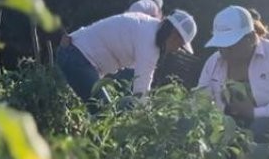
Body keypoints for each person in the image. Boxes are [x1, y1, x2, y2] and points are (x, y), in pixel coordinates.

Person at [197, 5, 269, 141]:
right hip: (231, 129)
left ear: (250, 38)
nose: (224, 51)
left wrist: (253, 113)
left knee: (261, 130)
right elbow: (201, 101)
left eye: (231, 46)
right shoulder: (214, 62)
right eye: (220, 45)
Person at [56, 10, 197, 110]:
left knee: (91, 111)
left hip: (75, 52)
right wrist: (146, 122)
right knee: (106, 115)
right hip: (78, 58)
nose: (177, 50)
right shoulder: (150, 43)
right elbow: (140, 91)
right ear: (175, 36)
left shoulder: (148, 26)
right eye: (180, 46)